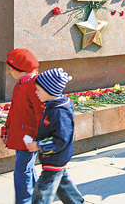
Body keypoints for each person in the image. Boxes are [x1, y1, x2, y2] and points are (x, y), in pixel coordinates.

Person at [26, 68, 84, 204]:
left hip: (55, 158)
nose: (36, 92)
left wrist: (39, 146)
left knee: (41, 193)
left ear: (49, 90)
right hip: (55, 158)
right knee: (64, 186)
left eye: (38, 90)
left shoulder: (59, 112)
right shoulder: (53, 106)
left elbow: (61, 140)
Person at [0, 49, 44, 204]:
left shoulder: (33, 86)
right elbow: (14, 111)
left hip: (29, 137)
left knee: (21, 171)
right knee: (27, 168)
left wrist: (39, 137)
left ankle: (24, 201)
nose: (10, 71)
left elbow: (41, 113)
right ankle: (36, 199)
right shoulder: (21, 84)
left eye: (11, 68)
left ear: (20, 70)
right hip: (21, 135)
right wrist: (7, 128)